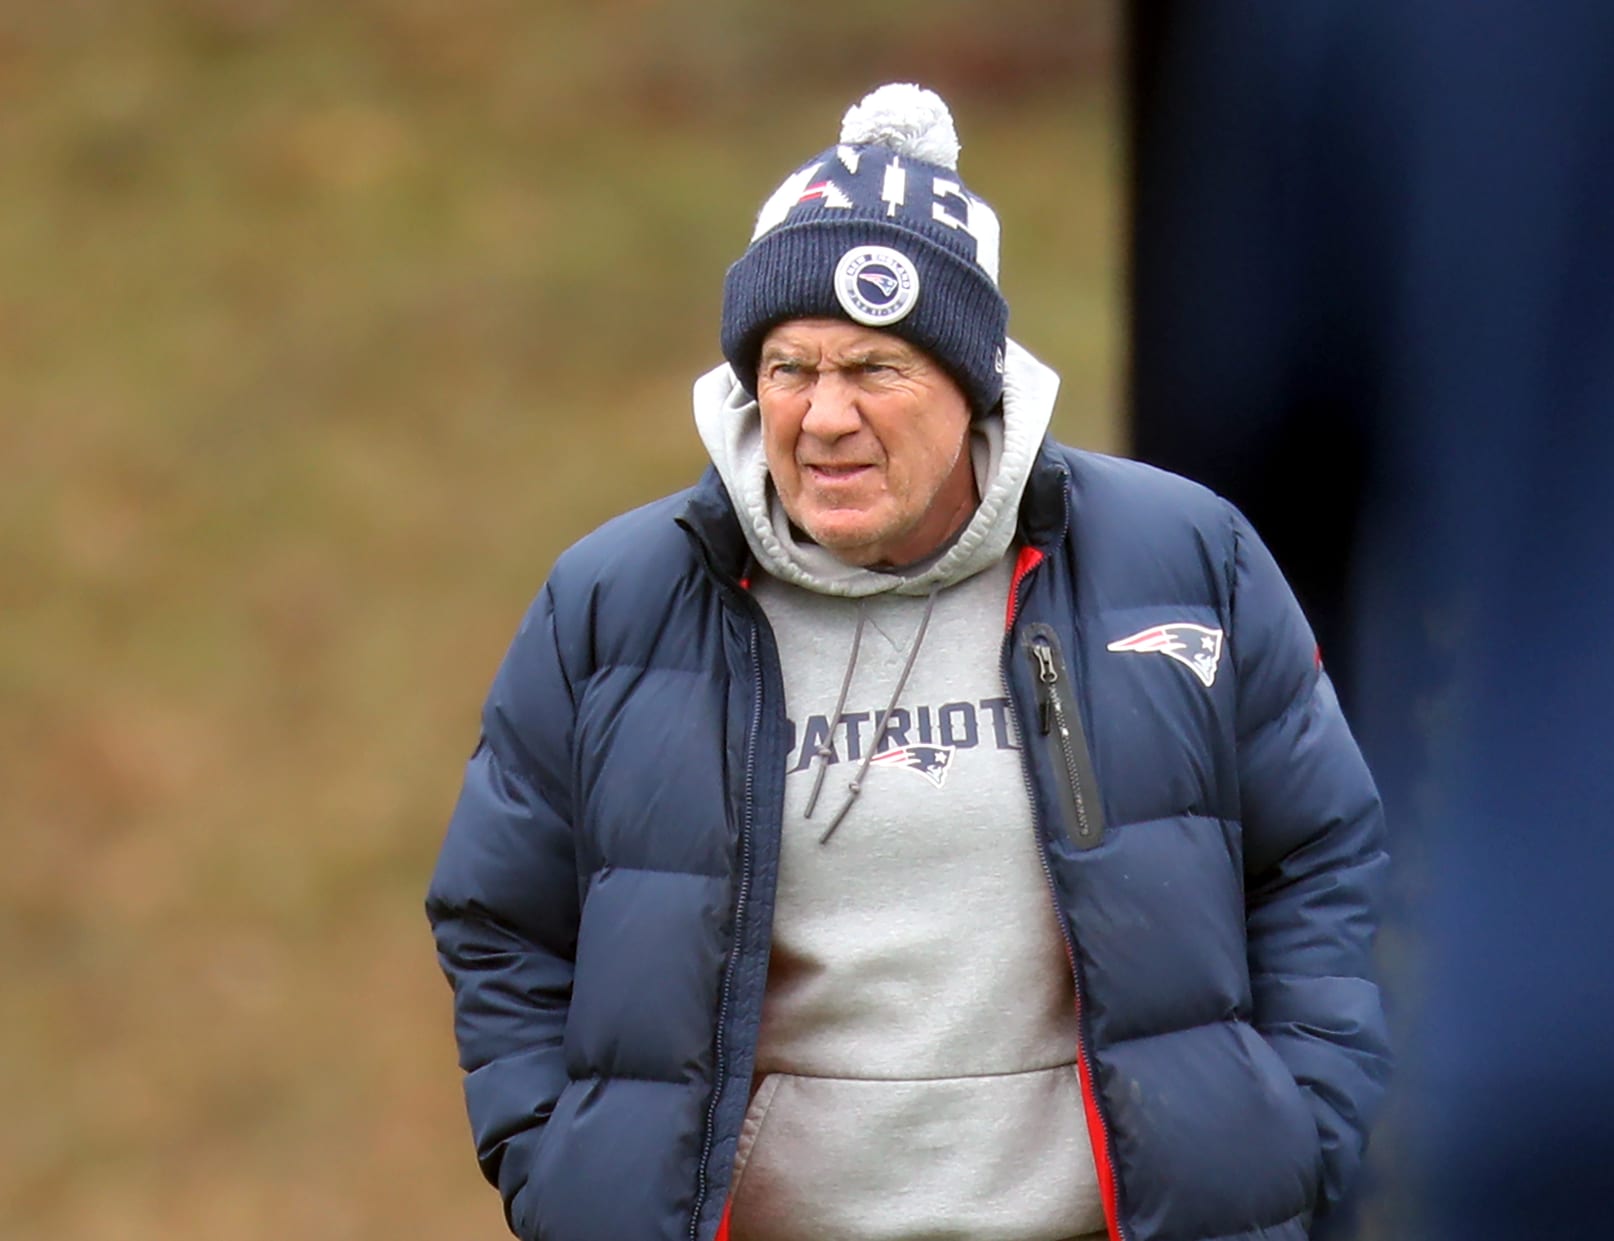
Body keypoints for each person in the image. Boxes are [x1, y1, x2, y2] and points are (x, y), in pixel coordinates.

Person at [427, 83, 1389, 1241]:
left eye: (875, 368)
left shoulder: (1184, 560)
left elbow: (1317, 853)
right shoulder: (615, 604)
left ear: (973, 381)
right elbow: (501, 916)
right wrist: (564, 1172)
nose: (824, 416)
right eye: (789, 367)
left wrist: (1293, 1127)